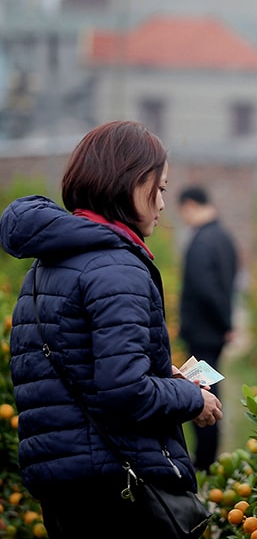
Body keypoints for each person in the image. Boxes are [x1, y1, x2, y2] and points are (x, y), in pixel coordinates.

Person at [0, 121, 222, 539]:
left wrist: (161, 374)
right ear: (130, 183)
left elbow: (81, 364)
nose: (161, 205)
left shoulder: (47, 264)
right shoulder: (116, 266)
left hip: (64, 484)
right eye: (159, 189)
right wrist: (191, 398)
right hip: (116, 489)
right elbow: (124, 391)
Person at [177, 185, 238, 472]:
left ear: (190, 205)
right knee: (210, 387)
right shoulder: (224, 237)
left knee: (203, 392)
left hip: (203, 331)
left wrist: (223, 322)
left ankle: (204, 461)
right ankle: (207, 458)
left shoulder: (202, 241)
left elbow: (206, 288)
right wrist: (227, 323)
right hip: (215, 330)